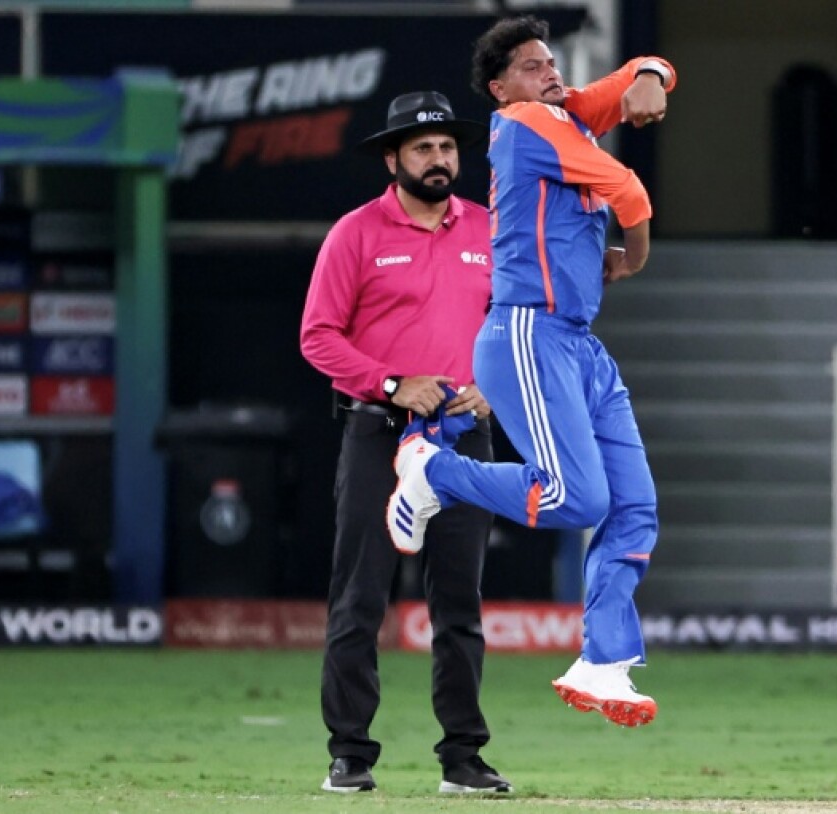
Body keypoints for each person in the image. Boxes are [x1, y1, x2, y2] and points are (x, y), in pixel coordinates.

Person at [385, 15, 675, 728]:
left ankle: (603, 663)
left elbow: (652, 66)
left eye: (552, 62)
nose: (550, 72)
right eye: (532, 65)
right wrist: (633, 258)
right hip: (527, 330)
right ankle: (433, 470)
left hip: (577, 343)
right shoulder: (524, 122)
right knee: (576, 500)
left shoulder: (566, 111)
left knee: (633, 507)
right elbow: (630, 193)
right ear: (500, 86)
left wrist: (649, 75)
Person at [299, 90, 512, 795]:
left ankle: (463, 757)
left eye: (448, 147)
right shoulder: (356, 233)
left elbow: (517, 326)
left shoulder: (488, 228)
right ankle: (350, 754)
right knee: (360, 596)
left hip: (463, 435)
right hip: (378, 432)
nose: (439, 158)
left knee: (460, 602)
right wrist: (393, 385)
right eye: (422, 148)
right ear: (392, 158)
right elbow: (318, 336)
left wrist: (495, 384)